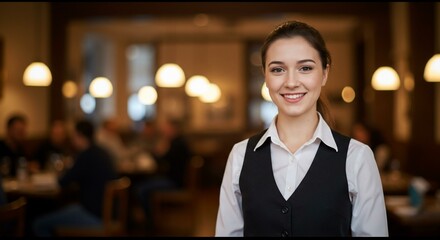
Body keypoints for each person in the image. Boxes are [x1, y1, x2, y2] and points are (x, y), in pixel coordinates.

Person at [215, 20, 388, 237]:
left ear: (324, 73)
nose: (291, 82)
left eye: (305, 68)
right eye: (278, 69)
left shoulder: (358, 157)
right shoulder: (240, 156)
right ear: (266, 77)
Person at [32, 119, 118, 236]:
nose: (72, 140)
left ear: (79, 136)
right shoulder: (102, 152)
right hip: (108, 214)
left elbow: (63, 182)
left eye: (73, 136)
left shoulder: (85, 156)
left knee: (38, 224)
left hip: (93, 215)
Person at [135, 116, 192, 232]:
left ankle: (150, 222)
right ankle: (150, 220)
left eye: (167, 128)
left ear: (174, 129)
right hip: (176, 179)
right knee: (144, 185)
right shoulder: (179, 142)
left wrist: (155, 152)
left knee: (141, 189)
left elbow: (163, 161)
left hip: (175, 182)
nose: (164, 130)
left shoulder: (177, 144)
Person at [0, 113, 29, 177]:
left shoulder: (20, 149)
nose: (22, 135)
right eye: (18, 131)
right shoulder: (1, 147)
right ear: (9, 130)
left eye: (23, 131)